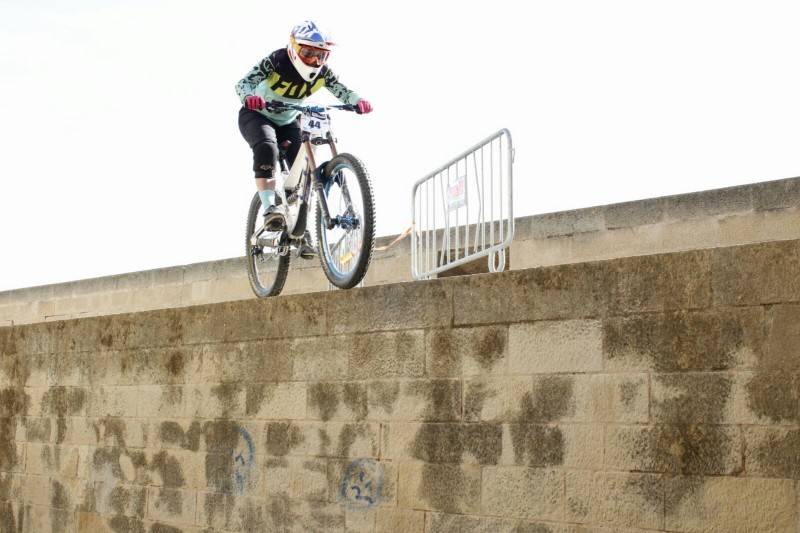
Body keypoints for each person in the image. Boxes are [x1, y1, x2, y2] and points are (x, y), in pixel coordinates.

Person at [235, 20, 373, 259]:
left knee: (306, 172)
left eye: (322, 56)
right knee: (268, 148)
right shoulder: (277, 61)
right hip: (257, 114)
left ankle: (301, 228)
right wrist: (249, 97)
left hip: (289, 120)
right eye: (308, 53)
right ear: (293, 48)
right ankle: (269, 208)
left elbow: (342, 90)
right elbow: (243, 83)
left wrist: (358, 100)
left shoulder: (323, 73)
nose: (314, 61)